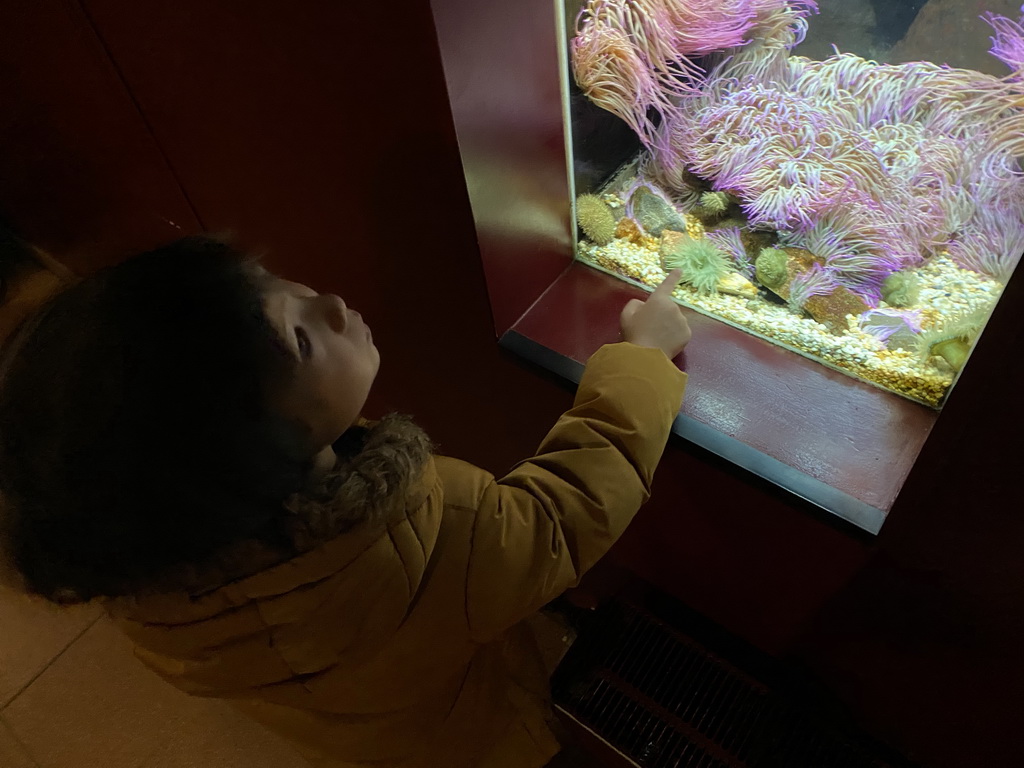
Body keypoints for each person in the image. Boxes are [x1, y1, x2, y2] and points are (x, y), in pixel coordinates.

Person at [0, 235, 690, 768]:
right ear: (249, 455)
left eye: (272, 282)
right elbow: (560, 515)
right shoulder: (429, 537)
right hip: (478, 742)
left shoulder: (146, 577)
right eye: (299, 338)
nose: (328, 302)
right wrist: (643, 361)